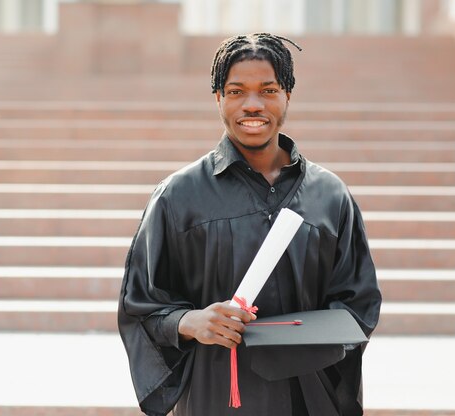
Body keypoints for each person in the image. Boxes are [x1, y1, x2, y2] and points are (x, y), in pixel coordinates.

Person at [118, 33, 382, 416]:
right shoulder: (178, 196)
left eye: (268, 90)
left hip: (307, 396)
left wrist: (303, 338)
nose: (253, 105)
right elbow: (141, 304)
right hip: (217, 395)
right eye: (237, 91)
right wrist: (191, 321)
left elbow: (359, 303)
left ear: (287, 95)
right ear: (218, 99)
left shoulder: (329, 195)